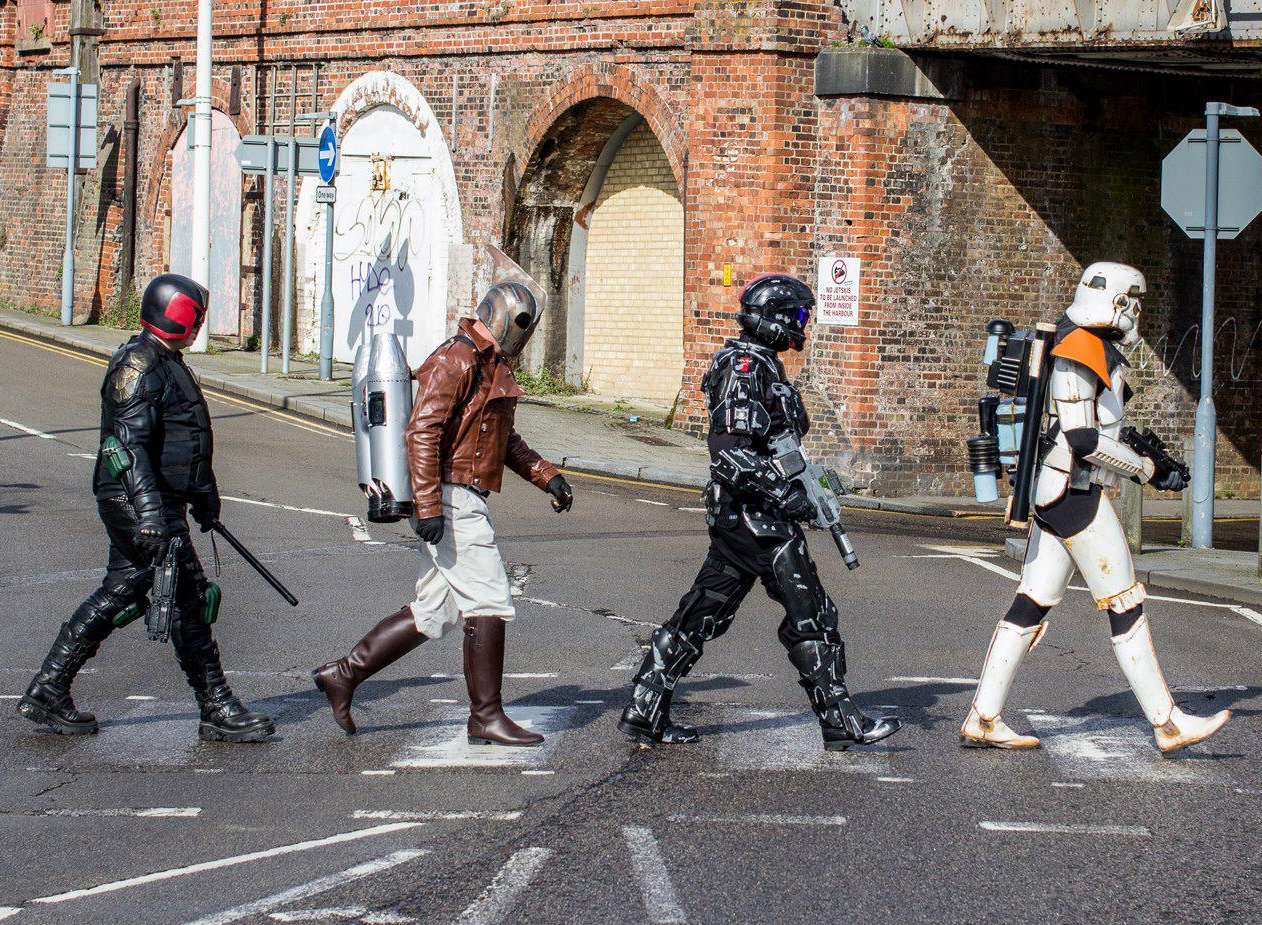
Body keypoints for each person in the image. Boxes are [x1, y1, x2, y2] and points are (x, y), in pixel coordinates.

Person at [617, 274, 899, 751]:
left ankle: (645, 709)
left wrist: (808, 486)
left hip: (747, 517)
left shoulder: (763, 365)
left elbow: (775, 445)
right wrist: (785, 495)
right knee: (811, 615)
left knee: (702, 612)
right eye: (799, 317)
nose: (802, 326)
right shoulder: (746, 367)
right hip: (757, 519)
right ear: (776, 317)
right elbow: (729, 451)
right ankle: (839, 719)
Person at [961, 262, 1231, 754]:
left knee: (1031, 603)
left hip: (1058, 491)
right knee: (1125, 603)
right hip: (1074, 492)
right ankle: (1168, 723)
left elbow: (1098, 429)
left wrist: (1139, 454)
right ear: (1119, 301)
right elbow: (1083, 439)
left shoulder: (1086, 341)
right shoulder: (1079, 348)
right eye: (1136, 301)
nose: (1138, 312)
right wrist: (1145, 470)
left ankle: (984, 716)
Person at [17, 275, 275, 743]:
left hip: (157, 501)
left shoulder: (166, 362)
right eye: (193, 315)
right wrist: (153, 517)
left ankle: (50, 687)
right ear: (174, 313)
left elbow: (185, 438)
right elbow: (128, 448)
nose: (197, 325)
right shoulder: (137, 366)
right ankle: (215, 705)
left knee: (146, 593)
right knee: (176, 595)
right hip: (138, 503)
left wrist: (204, 496)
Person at [314, 282, 573, 745]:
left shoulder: (490, 362)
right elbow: (423, 432)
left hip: (459, 494)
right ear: (497, 315)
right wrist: (429, 505)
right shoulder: (457, 358)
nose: (522, 332)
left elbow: (501, 438)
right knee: (490, 600)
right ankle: (485, 717)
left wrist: (544, 474)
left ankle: (343, 675)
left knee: (434, 610)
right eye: (519, 322)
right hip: (452, 496)